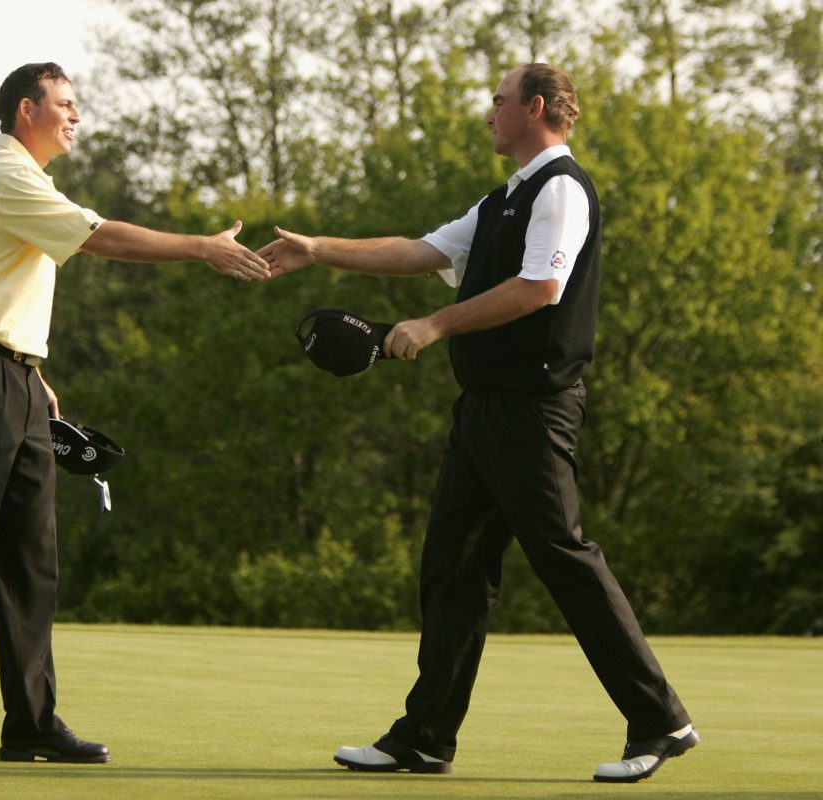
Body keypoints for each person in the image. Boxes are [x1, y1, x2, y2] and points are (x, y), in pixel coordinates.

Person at [258, 63, 698, 783]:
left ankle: (660, 718)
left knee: (564, 556)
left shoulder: (559, 189)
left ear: (534, 108)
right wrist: (318, 250)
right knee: (453, 566)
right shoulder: (504, 199)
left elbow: (540, 288)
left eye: (498, 102)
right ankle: (426, 736)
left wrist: (433, 324)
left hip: (534, 409)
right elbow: (422, 252)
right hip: (485, 410)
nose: (487, 114)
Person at [0, 62, 270, 763]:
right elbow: (100, 237)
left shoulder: (29, 184)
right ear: (27, 110)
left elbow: (4, 293)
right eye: (66, 105)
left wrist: (32, 374)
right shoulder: (2, 174)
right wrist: (202, 247)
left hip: (12, 382)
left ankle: (32, 724)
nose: (77, 117)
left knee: (31, 563)